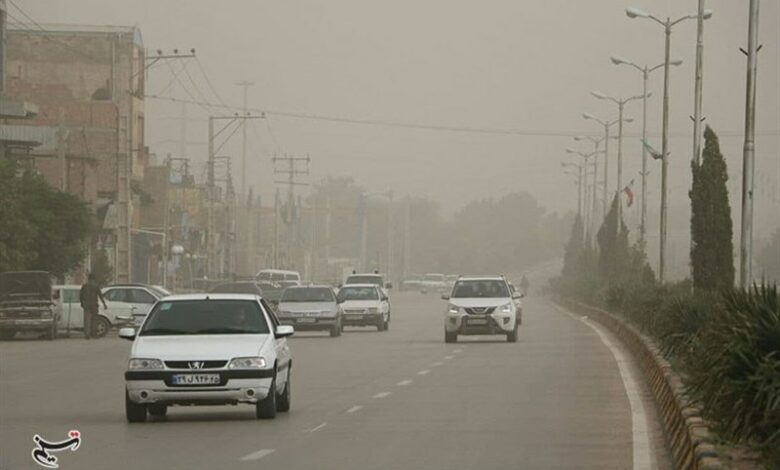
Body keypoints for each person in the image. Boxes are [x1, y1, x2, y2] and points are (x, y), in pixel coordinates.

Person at [79, 274, 107, 339]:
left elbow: (80, 295)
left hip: (86, 304)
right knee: (94, 320)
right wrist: (104, 304)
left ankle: (87, 334)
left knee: (87, 320)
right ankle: (94, 334)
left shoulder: (84, 286)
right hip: (94, 304)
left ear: (88, 279)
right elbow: (100, 296)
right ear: (93, 279)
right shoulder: (96, 286)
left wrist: (82, 303)